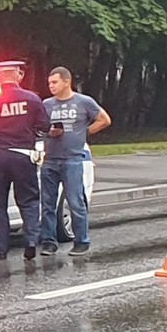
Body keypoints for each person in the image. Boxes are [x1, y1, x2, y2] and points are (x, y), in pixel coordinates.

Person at [0, 59, 47, 261]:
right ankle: (30, 242)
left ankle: (0, 249)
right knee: (29, 201)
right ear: (19, 75)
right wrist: (29, 134)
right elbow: (44, 125)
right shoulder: (32, 99)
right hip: (24, 156)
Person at [40, 66, 111, 255]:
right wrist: (49, 132)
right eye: (49, 83)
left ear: (66, 81)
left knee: (75, 200)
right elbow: (38, 126)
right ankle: (48, 241)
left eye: (54, 82)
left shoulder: (83, 102)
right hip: (50, 158)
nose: (51, 86)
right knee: (48, 202)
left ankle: (82, 240)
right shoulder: (47, 104)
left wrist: (84, 132)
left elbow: (104, 119)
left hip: (72, 158)